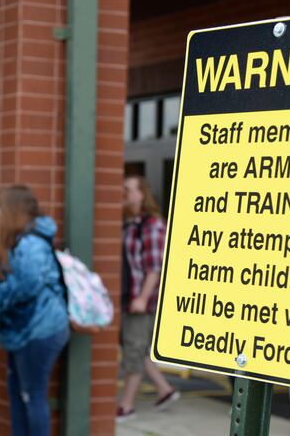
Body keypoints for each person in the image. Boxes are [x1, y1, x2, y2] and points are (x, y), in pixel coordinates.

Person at [0, 185, 70, 436]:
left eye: (0, 206)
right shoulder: (26, 239)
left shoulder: (31, 243)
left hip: (40, 328)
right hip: (29, 328)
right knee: (19, 394)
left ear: (12, 210)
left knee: (32, 395)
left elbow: (28, 284)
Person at [117, 175, 178, 421]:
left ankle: (127, 406)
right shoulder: (129, 224)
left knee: (134, 348)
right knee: (135, 346)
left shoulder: (152, 225)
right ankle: (165, 390)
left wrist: (142, 298)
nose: (123, 194)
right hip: (128, 297)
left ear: (142, 194)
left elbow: (155, 268)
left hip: (142, 300)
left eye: (128, 190)